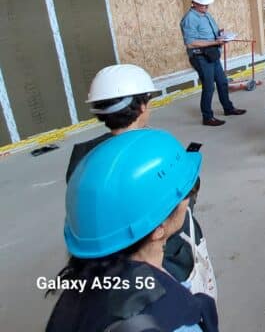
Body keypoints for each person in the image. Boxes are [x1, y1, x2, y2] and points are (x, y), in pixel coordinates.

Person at [65, 64, 218, 299]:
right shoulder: (155, 151)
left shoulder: (85, 159)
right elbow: (180, 198)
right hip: (167, 263)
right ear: (143, 105)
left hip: (108, 270)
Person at [46, 129, 219, 332]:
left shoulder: (78, 293)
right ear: (158, 229)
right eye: (186, 194)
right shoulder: (174, 320)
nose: (189, 199)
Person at [180, 0, 246, 126]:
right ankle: (207, 117)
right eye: (203, 5)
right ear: (194, 3)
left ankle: (228, 108)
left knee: (222, 82)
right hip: (200, 57)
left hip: (212, 54)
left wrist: (220, 34)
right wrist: (215, 41)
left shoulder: (207, 15)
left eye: (207, 4)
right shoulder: (190, 19)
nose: (205, 7)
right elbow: (190, 43)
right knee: (209, 87)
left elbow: (211, 32)